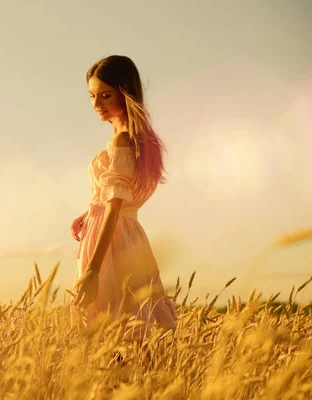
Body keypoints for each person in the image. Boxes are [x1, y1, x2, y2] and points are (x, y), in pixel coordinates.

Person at [70, 55, 177, 343]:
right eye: (92, 96)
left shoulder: (122, 141)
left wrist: (92, 270)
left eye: (105, 95)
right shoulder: (140, 141)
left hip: (111, 241)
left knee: (113, 327)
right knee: (130, 324)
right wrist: (89, 211)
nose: (96, 104)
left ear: (125, 92)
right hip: (130, 237)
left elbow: (116, 206)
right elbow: (121, 197)